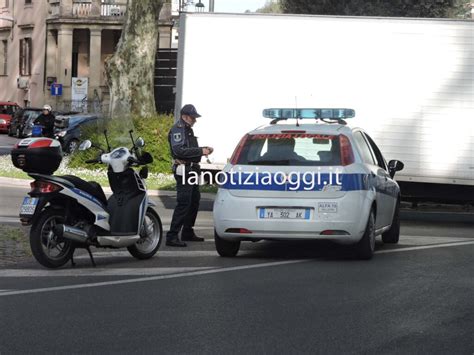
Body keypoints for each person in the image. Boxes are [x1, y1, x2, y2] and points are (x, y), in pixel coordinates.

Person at [166, 104, 214, 247]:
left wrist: (203, 149)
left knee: (194, 201)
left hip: (191, 169)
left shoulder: (188, 130)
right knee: (184, 202)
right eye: (193, 117)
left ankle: (187, 231)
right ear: (184, 116)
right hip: (184, 170)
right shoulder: (178, 130)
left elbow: (189, 149)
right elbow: (180, 150)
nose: (195, 120)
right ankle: (172, 235)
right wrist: (201, 151)